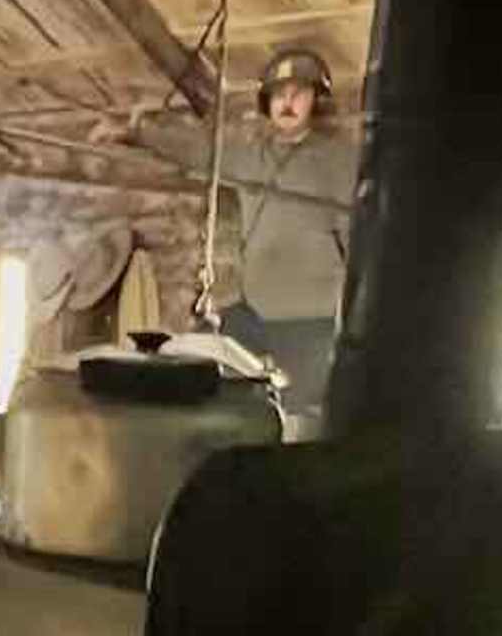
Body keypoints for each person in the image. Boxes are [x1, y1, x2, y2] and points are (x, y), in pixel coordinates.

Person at [150, 45, 358, 405]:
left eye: (299, 93)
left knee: (296, 416)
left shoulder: (340, 162)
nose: (288, 103)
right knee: (217, 371)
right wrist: (138, 133)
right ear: (267, 103)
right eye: (279, 95)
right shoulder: (251, 160)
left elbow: (360, 239)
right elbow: (200, 154)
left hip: (314, 320)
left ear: (316, 102)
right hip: (258, 312)